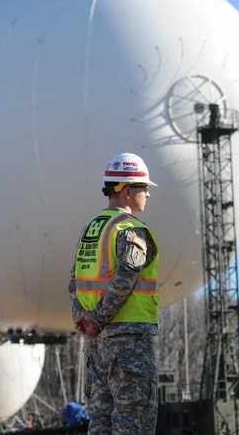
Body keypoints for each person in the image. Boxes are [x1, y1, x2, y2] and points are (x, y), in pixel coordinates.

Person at [68, 152, 160, 434]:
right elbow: (125, 280)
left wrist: (82, 317)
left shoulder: (91, 230)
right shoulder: (132, 230)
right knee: (133, 417)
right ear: (128, 191)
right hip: (128, 340)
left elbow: (74, 280)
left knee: (100, 421)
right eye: (144, 188)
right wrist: (97, 318)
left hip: (97, 344)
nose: (148, 194)